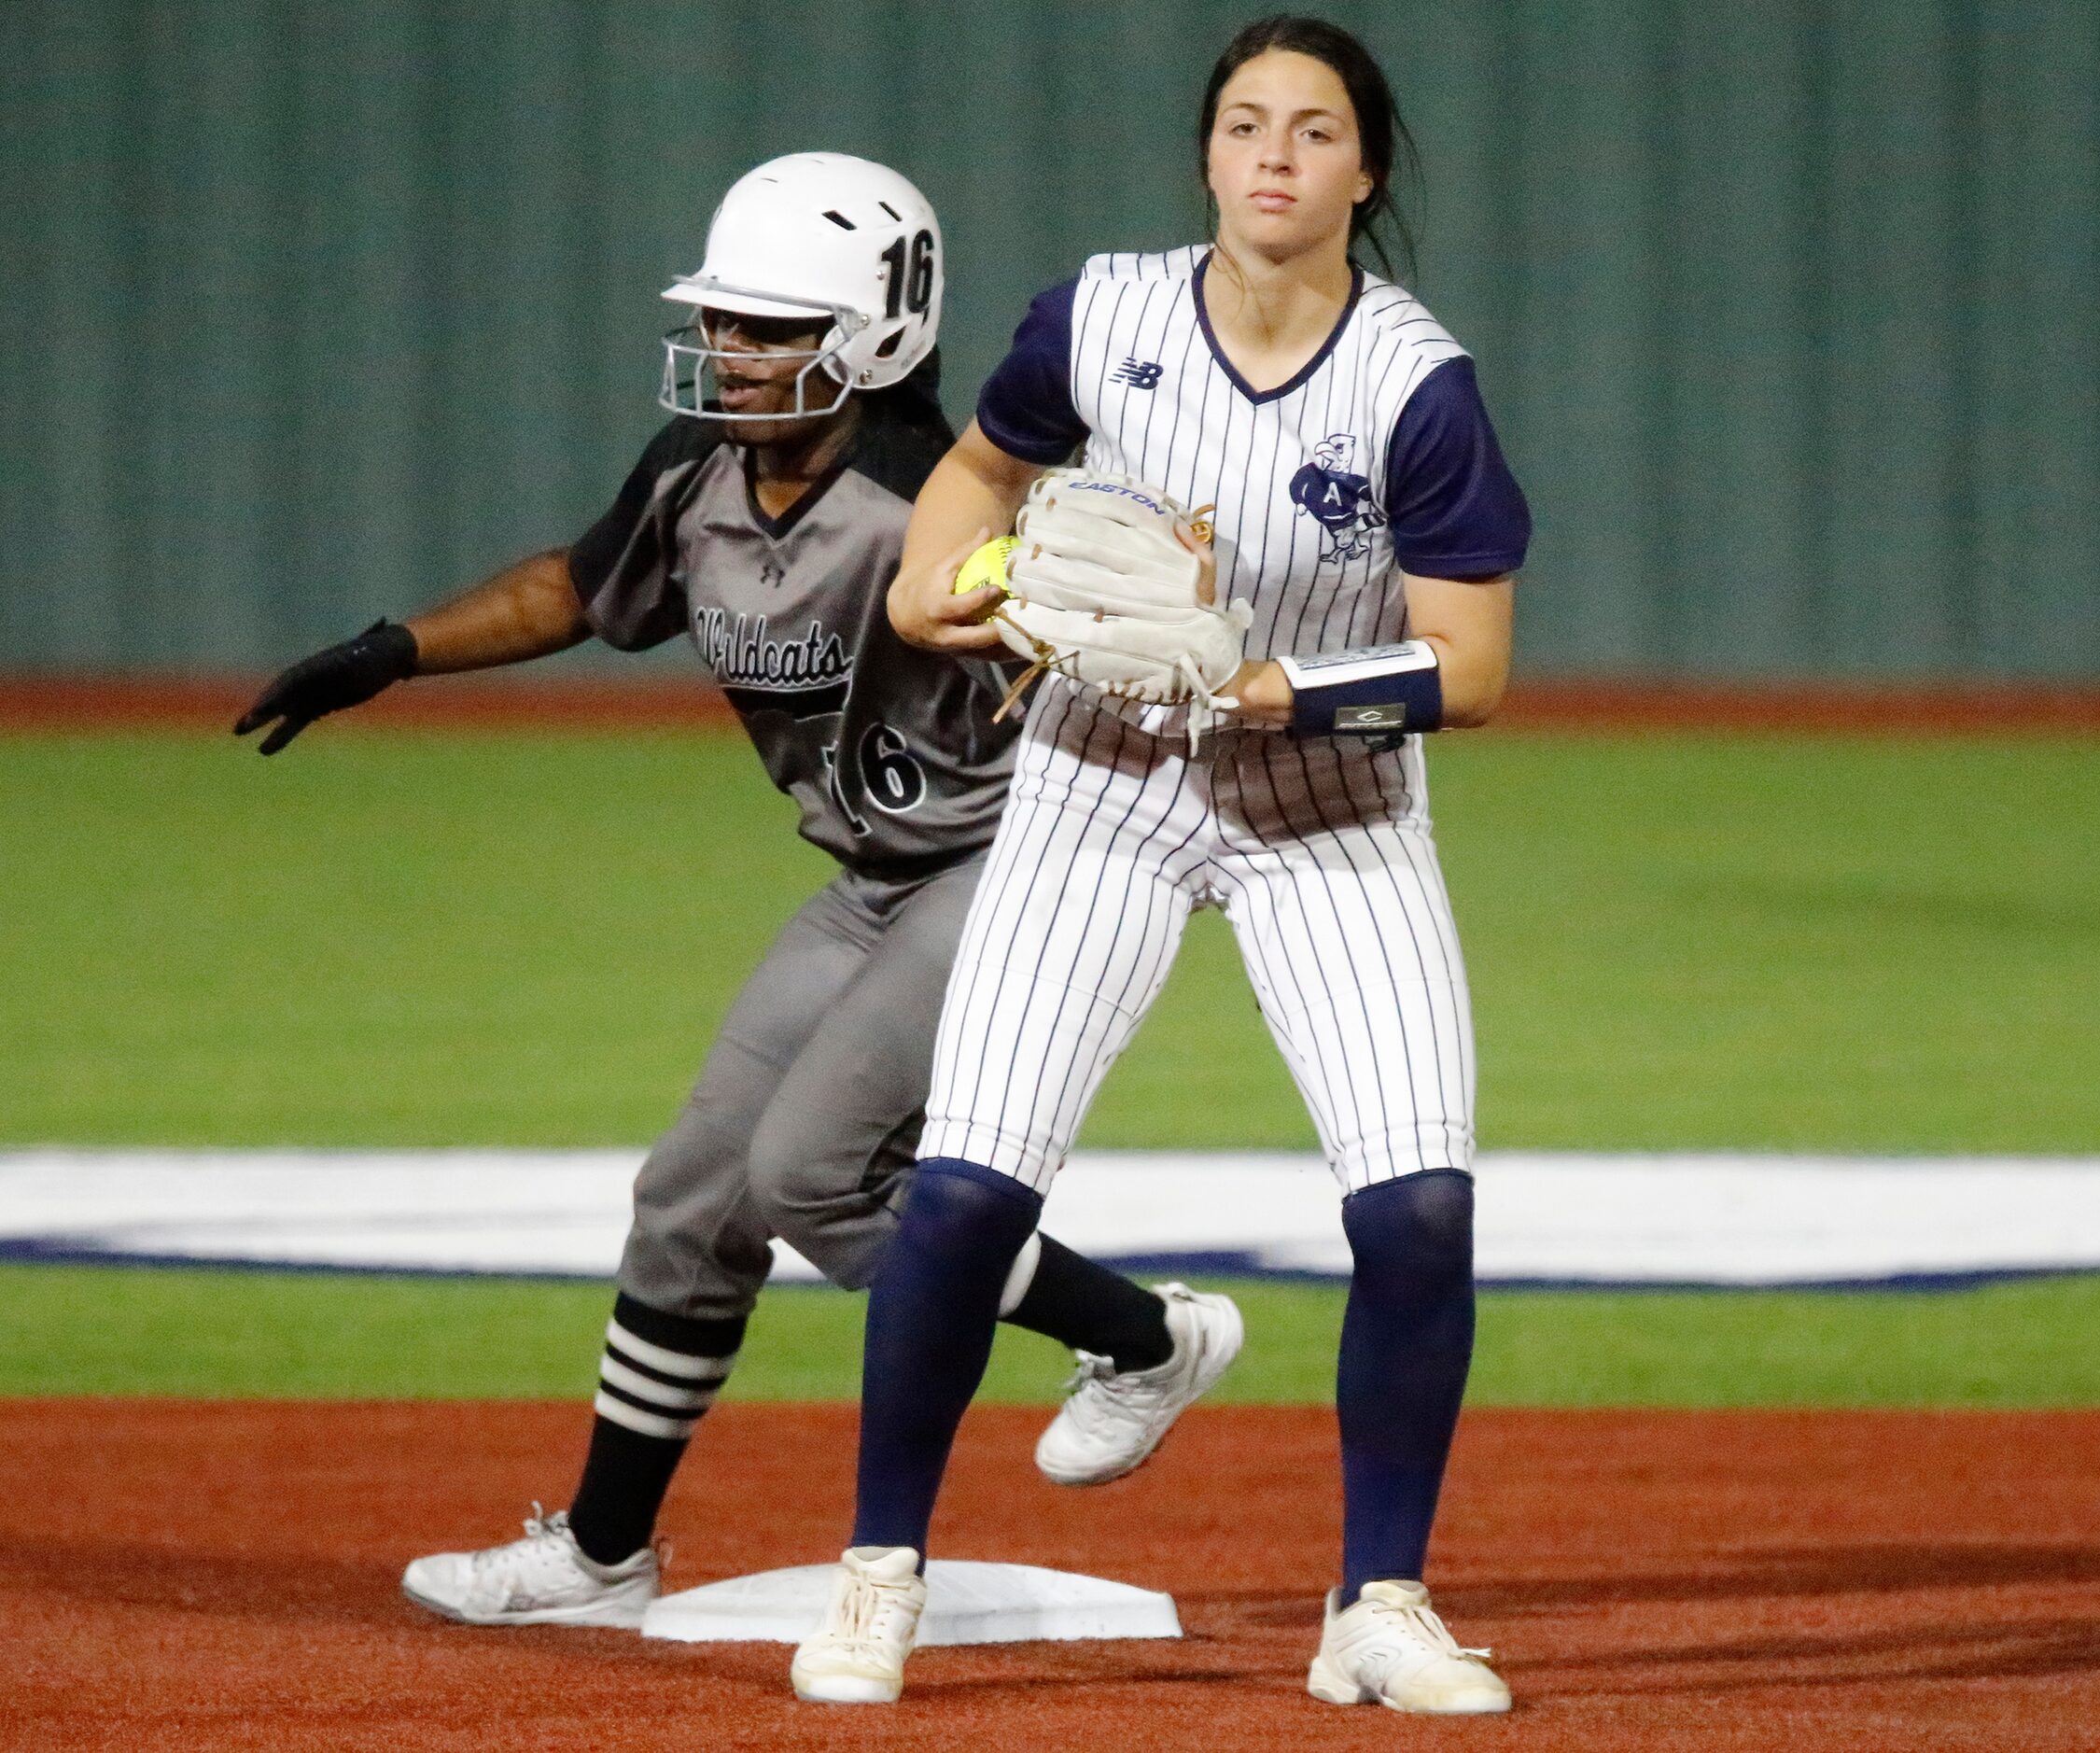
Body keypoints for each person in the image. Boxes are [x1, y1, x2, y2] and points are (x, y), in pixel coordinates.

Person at [233, 152, 1242, 1630]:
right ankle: (600, 1550)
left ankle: (1144, 1337)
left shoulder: (932, 496)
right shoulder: (696, 471)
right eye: (724, 318)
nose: (730, 348)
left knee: (812, 1176)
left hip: (1013, 866)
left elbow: (1107, 648)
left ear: (874, 334)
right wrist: (390, 651)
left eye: (771, 325)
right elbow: (580, 588)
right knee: (692, 1199)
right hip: (867, 878)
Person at [788, 20, 1530, 1715]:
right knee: (965, 1191)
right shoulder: (1103, 316)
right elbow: (979, 469)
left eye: (1314, 130)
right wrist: (934, 585)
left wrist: (1270, 686)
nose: (1274, 155)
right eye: (1245, 124)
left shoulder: (1411, 381)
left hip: (1325, 810)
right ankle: (875, 1575)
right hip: (1099, 787)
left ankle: (1377, 1604)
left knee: (1417, 1212)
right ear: (1207, 156)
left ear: (1366, 171)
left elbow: (1468, 667)